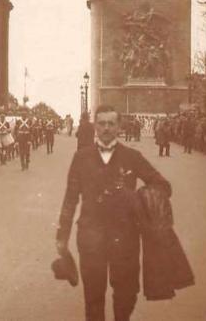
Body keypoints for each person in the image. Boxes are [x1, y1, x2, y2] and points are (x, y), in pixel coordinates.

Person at [55, 105, 171, 321]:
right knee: (93, 300)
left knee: (126, 299)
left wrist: (135, 197)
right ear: (95, 126)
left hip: (125, 239)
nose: (106, 128)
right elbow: (70, 200)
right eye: (102, 123)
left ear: (119, 127)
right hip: (91, 239)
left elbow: (163, 186)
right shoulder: (81, 157)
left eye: (111, 123)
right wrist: (62, 239)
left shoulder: (132, 157)